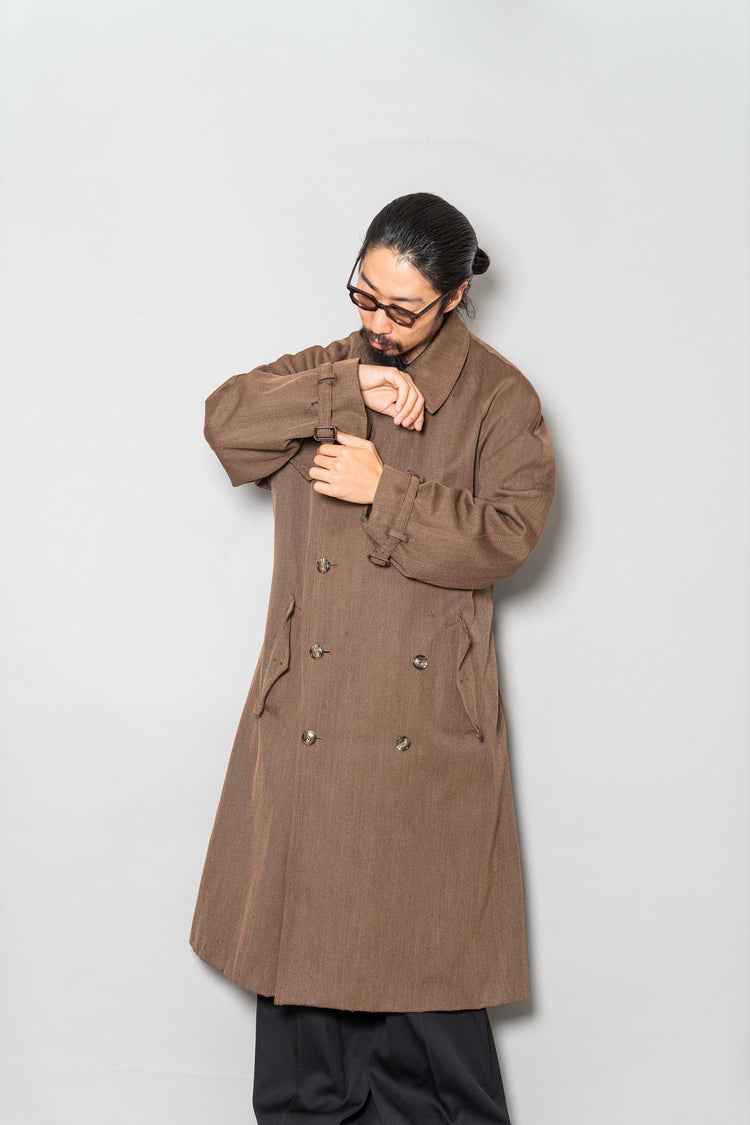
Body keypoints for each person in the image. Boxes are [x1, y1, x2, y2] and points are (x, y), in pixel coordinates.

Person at [191, 192, 556, 1123]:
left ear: (455, 298)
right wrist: (346, 387)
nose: (378, 323)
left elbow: (509, 536)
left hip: (422, 731)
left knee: (427, 987)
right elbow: (226, 422)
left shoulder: (501, 398)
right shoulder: (330, 368)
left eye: (402, 310)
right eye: (364, 296)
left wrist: (384, 490)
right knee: (304, 1009)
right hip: (309, 719)